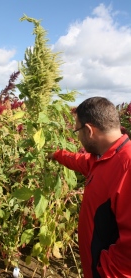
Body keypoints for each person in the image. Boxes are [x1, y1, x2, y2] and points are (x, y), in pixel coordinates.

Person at [47, 97, 131, 278]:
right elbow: (79, 160)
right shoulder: (102, 158)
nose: (77, 137)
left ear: (89, 130)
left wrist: (104, 271)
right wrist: (56, 154)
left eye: (78, 130)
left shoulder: (127, 166)